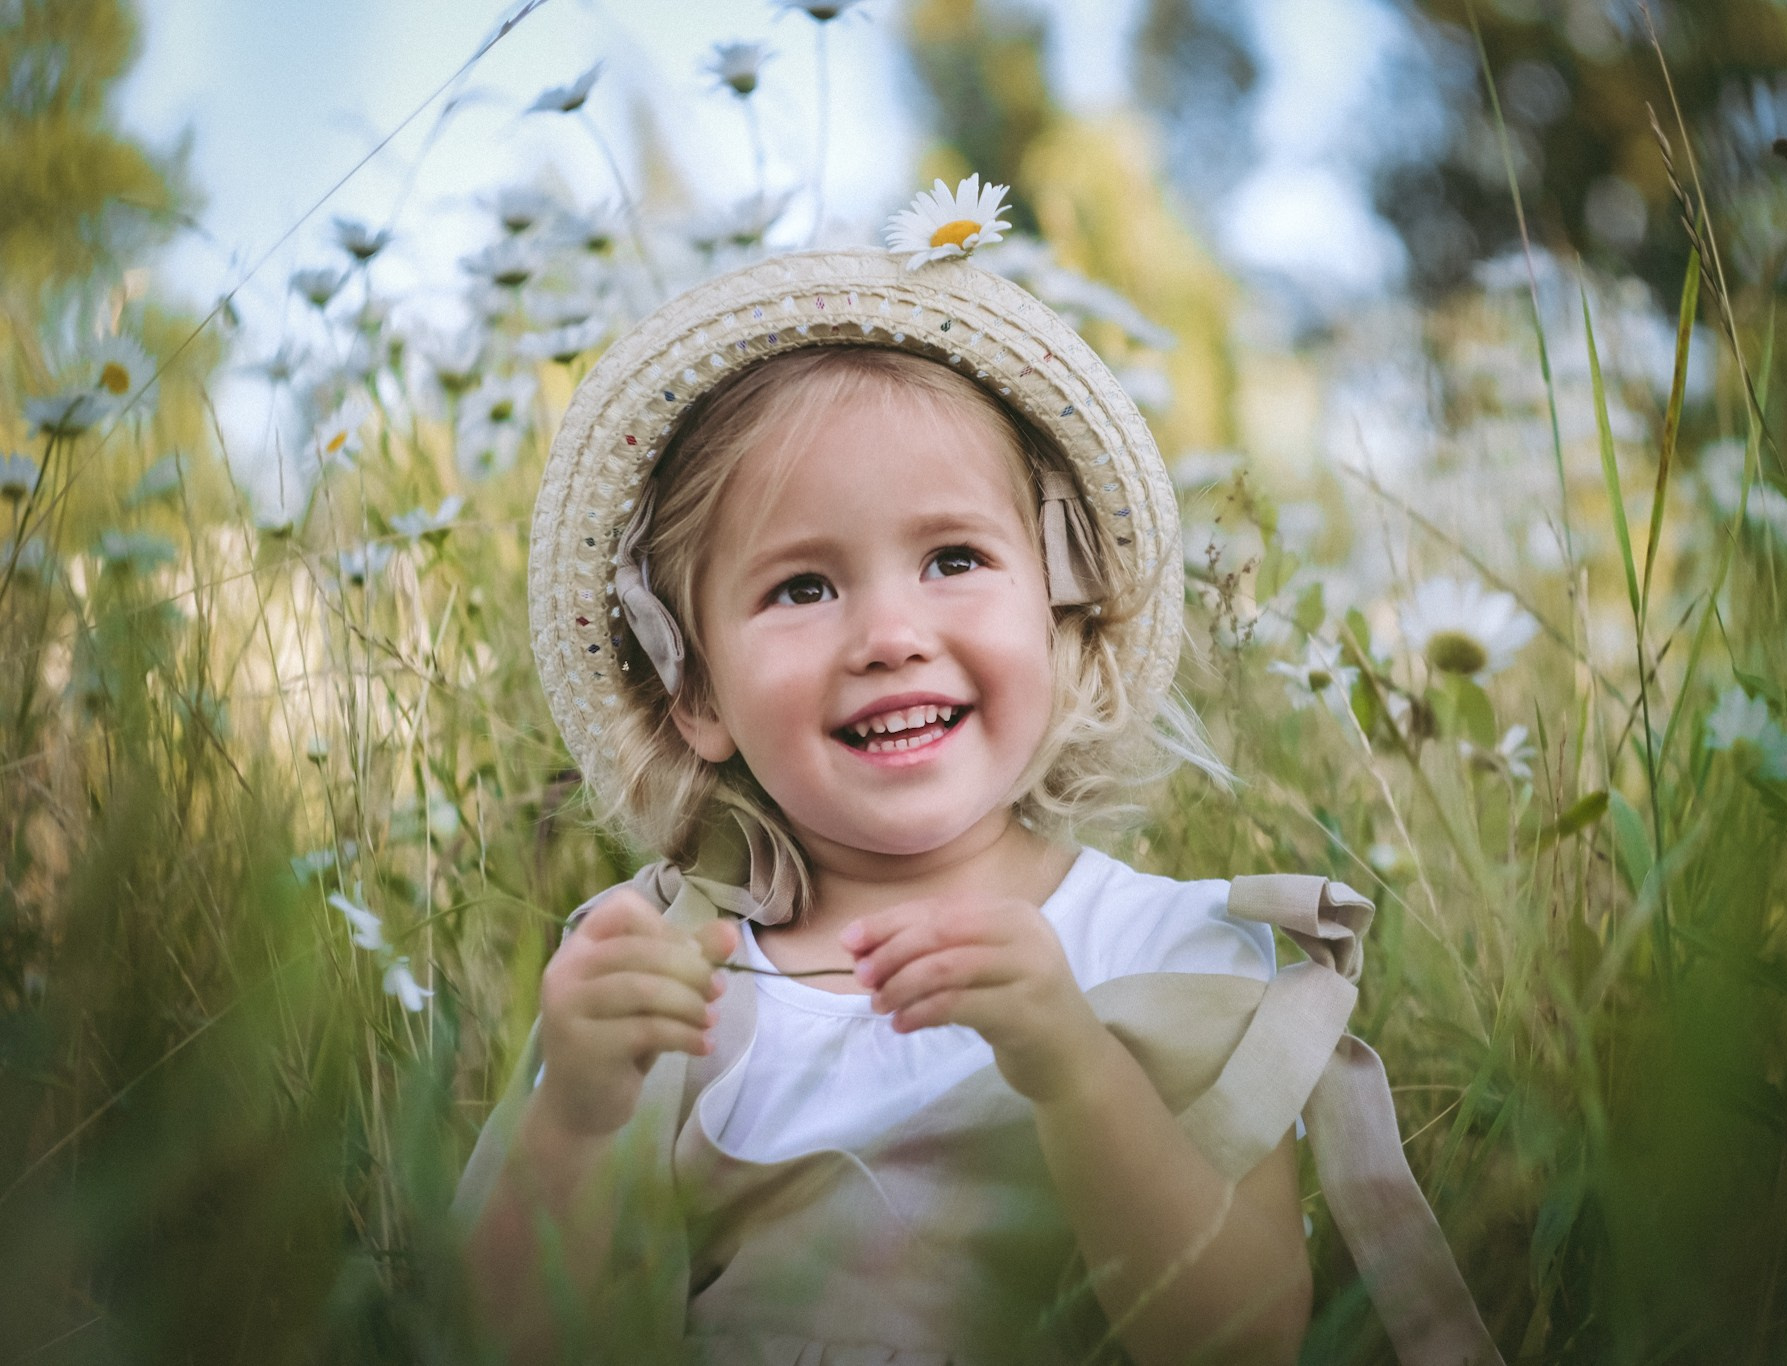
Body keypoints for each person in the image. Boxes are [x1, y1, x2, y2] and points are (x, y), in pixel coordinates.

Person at [456, 214, 1501, 1366]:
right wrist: (576, 1119)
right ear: (695, 693)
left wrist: (1072, 1064)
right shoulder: (665, 977)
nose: (890, 634)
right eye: (801, 587)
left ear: (1057, 623)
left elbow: (1242, 1336)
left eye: (952, 560)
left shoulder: (1165, 952)